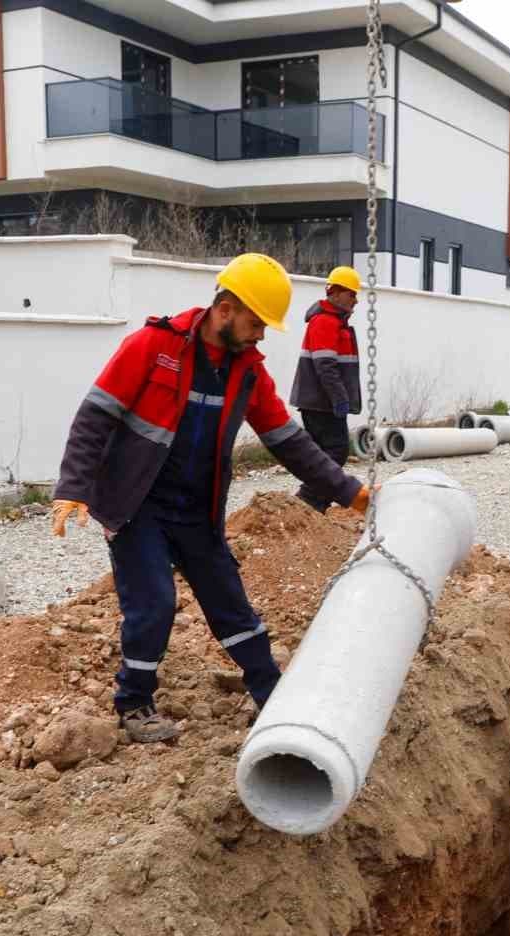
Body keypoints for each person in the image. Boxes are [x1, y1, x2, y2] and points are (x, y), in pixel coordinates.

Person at [49, 252, 369, 744]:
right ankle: (134, 702)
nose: (261, 334)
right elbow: (95, 417)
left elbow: (288, 441)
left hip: (197, 509)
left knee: (230, 602)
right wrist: (73, 487)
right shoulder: (152, 346)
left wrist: (351, 493)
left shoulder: (247, 371)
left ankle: (270, 693)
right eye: (256, 322)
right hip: (138, 507)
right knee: (154, 601)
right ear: (226, 308)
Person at [289, 266, 362, 511]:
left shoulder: (334, 322)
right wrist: (340, 399)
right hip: (321, 403)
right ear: (336, 292)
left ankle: (311, 506)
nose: (356, 300)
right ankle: (308, 503)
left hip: (321, 402)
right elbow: (326, 366)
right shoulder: (325, 322)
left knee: (324, 454)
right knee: (337, 451)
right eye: (352, 294)